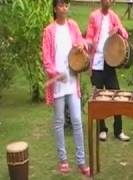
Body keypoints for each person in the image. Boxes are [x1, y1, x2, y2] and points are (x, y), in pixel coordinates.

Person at [42, 0, 90, 176]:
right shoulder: (49, 31)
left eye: (66, 5)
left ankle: (81, 161)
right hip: (57, 84)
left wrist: (81, 45)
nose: (64, 8)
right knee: (59, 122)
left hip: (72, 81)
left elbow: (81, 42)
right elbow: (46, 57)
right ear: (55, 8)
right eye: (61, 5)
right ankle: (63, 160)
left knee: (77, 120)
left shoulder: (73, 26)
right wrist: (55, 73)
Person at [86, 0, 130, 142]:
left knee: (116, 94)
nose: (109, 1)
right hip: (97, 61)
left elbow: (125, 34)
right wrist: (89, 44)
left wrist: (117, 29)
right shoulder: (94, 16)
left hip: (109, 61)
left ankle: (119, 130)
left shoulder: (113, 16)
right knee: (99, 96)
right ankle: (102, 129)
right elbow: (88, 38)